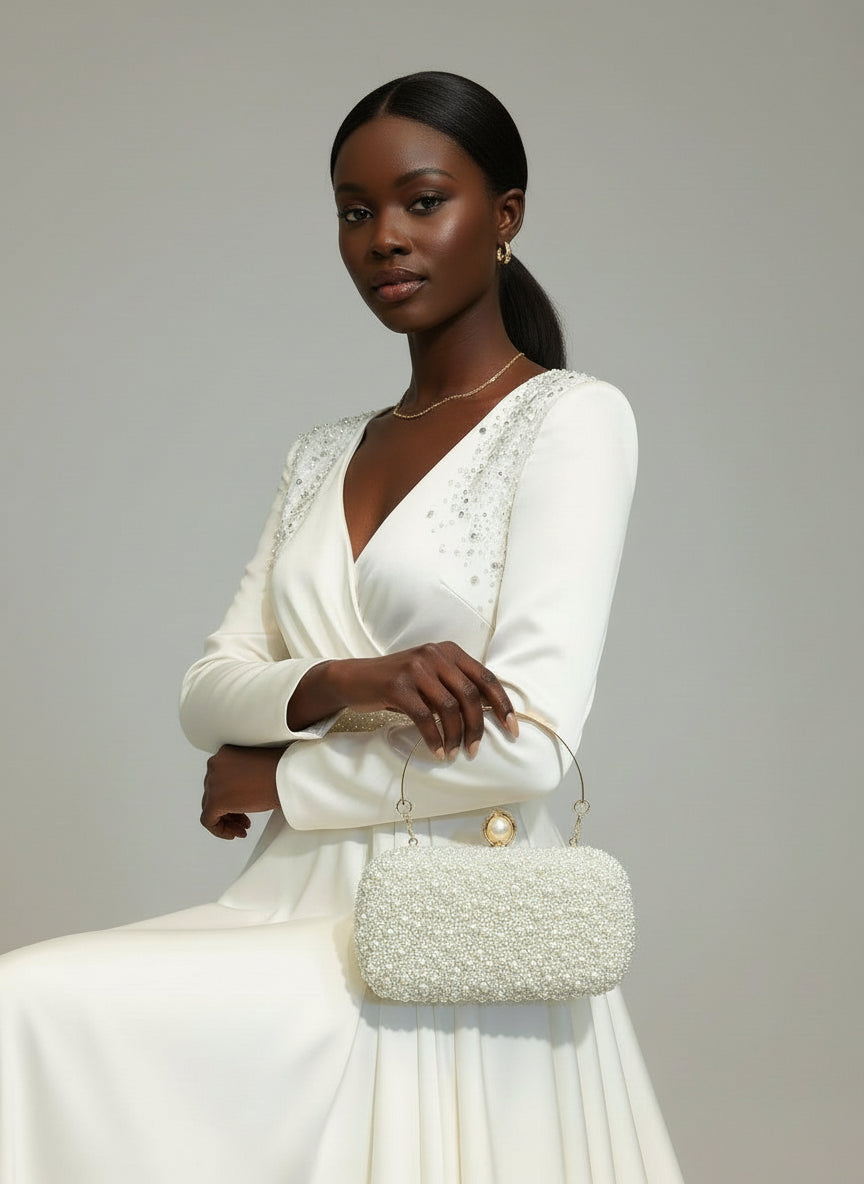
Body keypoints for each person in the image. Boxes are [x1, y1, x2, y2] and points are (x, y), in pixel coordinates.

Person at [0, 71, 684, 1183]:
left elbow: (531, 743)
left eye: (423, 201)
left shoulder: (572, 420)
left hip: (456, 918)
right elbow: (207, 688)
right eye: (355, 211)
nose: (384, 239)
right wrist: (350, 679)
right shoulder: (323, 452)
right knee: (29, 1011)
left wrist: (278, 781)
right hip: (284, 900)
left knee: (29, 1005)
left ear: (503, 217)